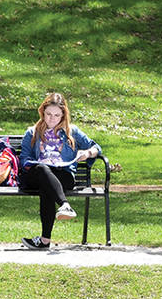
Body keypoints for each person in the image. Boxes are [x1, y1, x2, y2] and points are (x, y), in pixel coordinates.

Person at [18, 91, 105, 250]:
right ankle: (64, 204)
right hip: (37, 173)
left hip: (63, 175)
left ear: (63, 115)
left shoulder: (72, 132)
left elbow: (96, 147)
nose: (52, 118)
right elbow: (24, 158)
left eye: (56, 115)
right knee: (44, 171)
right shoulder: (32, 132)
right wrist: (38, 163)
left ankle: (44, 241)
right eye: (48, 114)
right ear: (42, 112)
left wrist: (87, 153)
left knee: (48, 185)